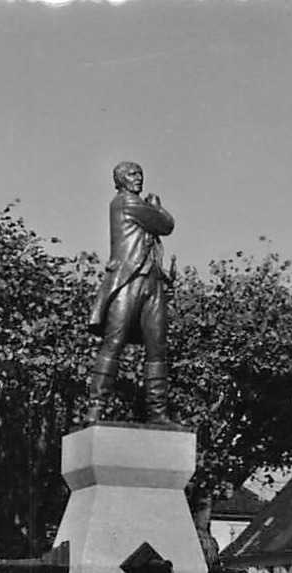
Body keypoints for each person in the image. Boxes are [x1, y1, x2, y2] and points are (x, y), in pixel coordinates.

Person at [87, 160, 176, 423]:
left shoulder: (137, 203)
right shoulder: (125, 202)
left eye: (140, 174)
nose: (138, 178)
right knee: (113, 343)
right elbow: (166, 224)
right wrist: (157, 206)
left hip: (153, 281)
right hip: (129, 280)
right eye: (131, 174)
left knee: (157, 348)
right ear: (120, 181)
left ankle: (158, 413)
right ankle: (95, 409)